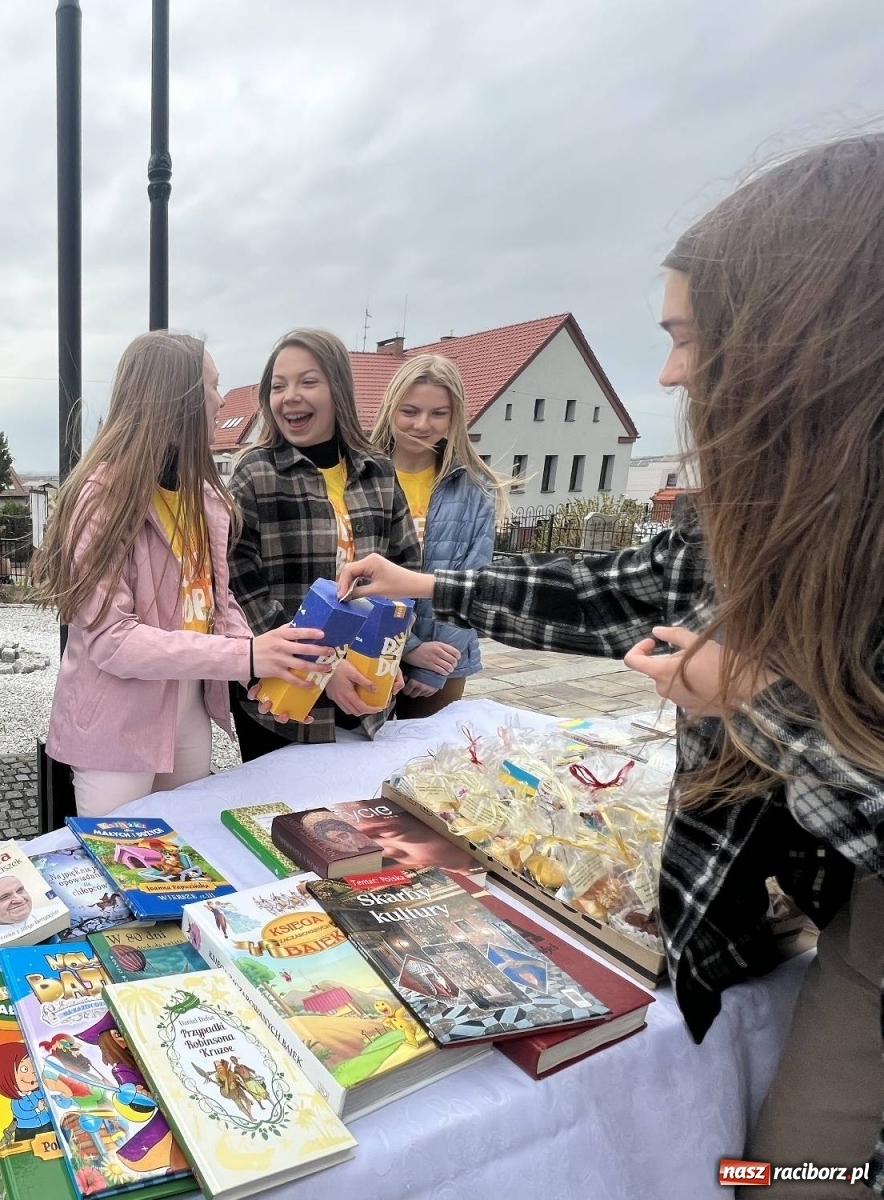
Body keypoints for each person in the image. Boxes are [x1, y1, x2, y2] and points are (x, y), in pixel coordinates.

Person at [341, 135, 884, 1199]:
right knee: (775, 1167)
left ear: (796, 342)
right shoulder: (777, 507)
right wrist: (427, 589)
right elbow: (609, 590)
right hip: (838, 921)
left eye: (687, 338)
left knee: (790, 1175)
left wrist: (762, 705)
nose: (671, 373)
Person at [34, 330, 324, 815]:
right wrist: (245, 657)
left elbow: (217, 598)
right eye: (211, 386)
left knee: (187, 850)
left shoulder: (204, 495)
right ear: (175, 400)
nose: (220, 399)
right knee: (124, 859)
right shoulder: (103, 497)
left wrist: (258, 669)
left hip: (188, 703)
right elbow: (113, 641)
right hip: (116, 719)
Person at [227, 328, 424, 760]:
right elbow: (238, 584)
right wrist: (324, 667)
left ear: (338, 389)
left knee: (356, 817)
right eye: (279, 386)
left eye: (308, 382)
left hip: (368, 695)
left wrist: (391, 654)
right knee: (279, 822)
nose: (290, 396)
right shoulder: (256, 474)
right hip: (284, 703)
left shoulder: (378, 471)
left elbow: (406, 571)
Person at [369, 353, 509, 719]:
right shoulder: (363, 478)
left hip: (443, 660)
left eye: (438, 413)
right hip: (368, 648)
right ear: (390, 409)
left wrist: (435, 662)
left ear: (454, 416)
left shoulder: (476, 487)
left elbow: (475, 581)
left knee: (426, 765)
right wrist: (408, 647)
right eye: (410, 411)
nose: (422, 424)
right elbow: (353, 572)